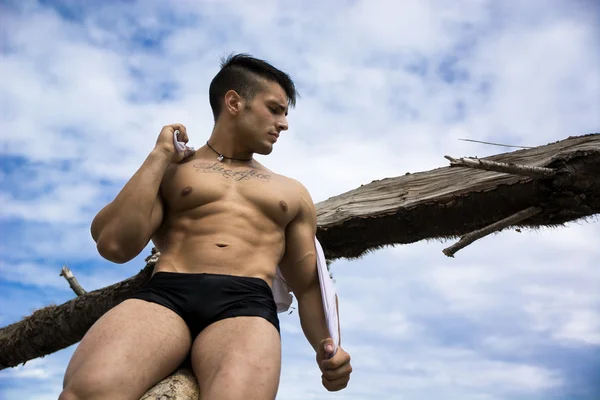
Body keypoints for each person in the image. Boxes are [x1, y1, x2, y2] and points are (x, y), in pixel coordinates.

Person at [59, 53, 352, 400]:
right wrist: (158, 157)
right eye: (275, 109)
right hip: (165, 296)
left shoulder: (291, 192)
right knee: (85, 393)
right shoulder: (172, 171)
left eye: (285, 113)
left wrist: (328, 346)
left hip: (244, 306)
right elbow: (113, 245)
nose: (284, 123)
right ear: (233, 102)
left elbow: (306, 287)